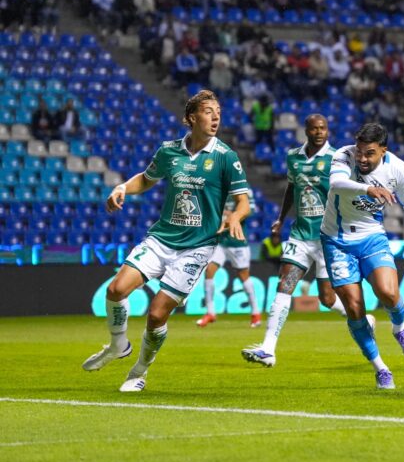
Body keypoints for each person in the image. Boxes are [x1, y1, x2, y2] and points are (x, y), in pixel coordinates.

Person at [82, 89, 250, 392]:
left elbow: (243, 201)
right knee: (116, 289)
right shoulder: (169, 151)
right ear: (191, 118)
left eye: (218, 112)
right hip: (161, 238)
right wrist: (122, 187)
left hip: (196, 248)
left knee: (157, 314)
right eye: (208, 111)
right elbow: (146, 179)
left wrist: (236, 217)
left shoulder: (226, 157)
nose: (215, 117)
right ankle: (118, 344)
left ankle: (139, 372)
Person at [319, 123, 404, 389]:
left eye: (370, 154)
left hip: (371, 236)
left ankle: (399, 328)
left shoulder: (398, 169)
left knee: (389, 293)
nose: (362, 159)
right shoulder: (343, 155)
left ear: (383, 151)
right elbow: (336, 183)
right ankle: (381, 368)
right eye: (360, 152)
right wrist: (368, 189)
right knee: (354, 308)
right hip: (336, 240)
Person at [242, 115, 351, 367]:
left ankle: (360, 318)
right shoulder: (294, 157)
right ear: (306, 131)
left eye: (323, 128)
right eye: (314, 128)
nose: (320, 132)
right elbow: (291, 188)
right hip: (300, 236)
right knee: (285, 284)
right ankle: (268, 348)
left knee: (327, 298)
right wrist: (280, 219)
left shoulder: (337, 158)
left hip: (327, 239)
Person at [196, 190, 261, 328]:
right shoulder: (219, 189)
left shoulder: (245, 191)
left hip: (237, 240)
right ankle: (210, 312)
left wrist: (231, 215)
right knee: (209, 271)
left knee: (243, 276)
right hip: (220, 241)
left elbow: (250, 211)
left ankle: (255, 313)